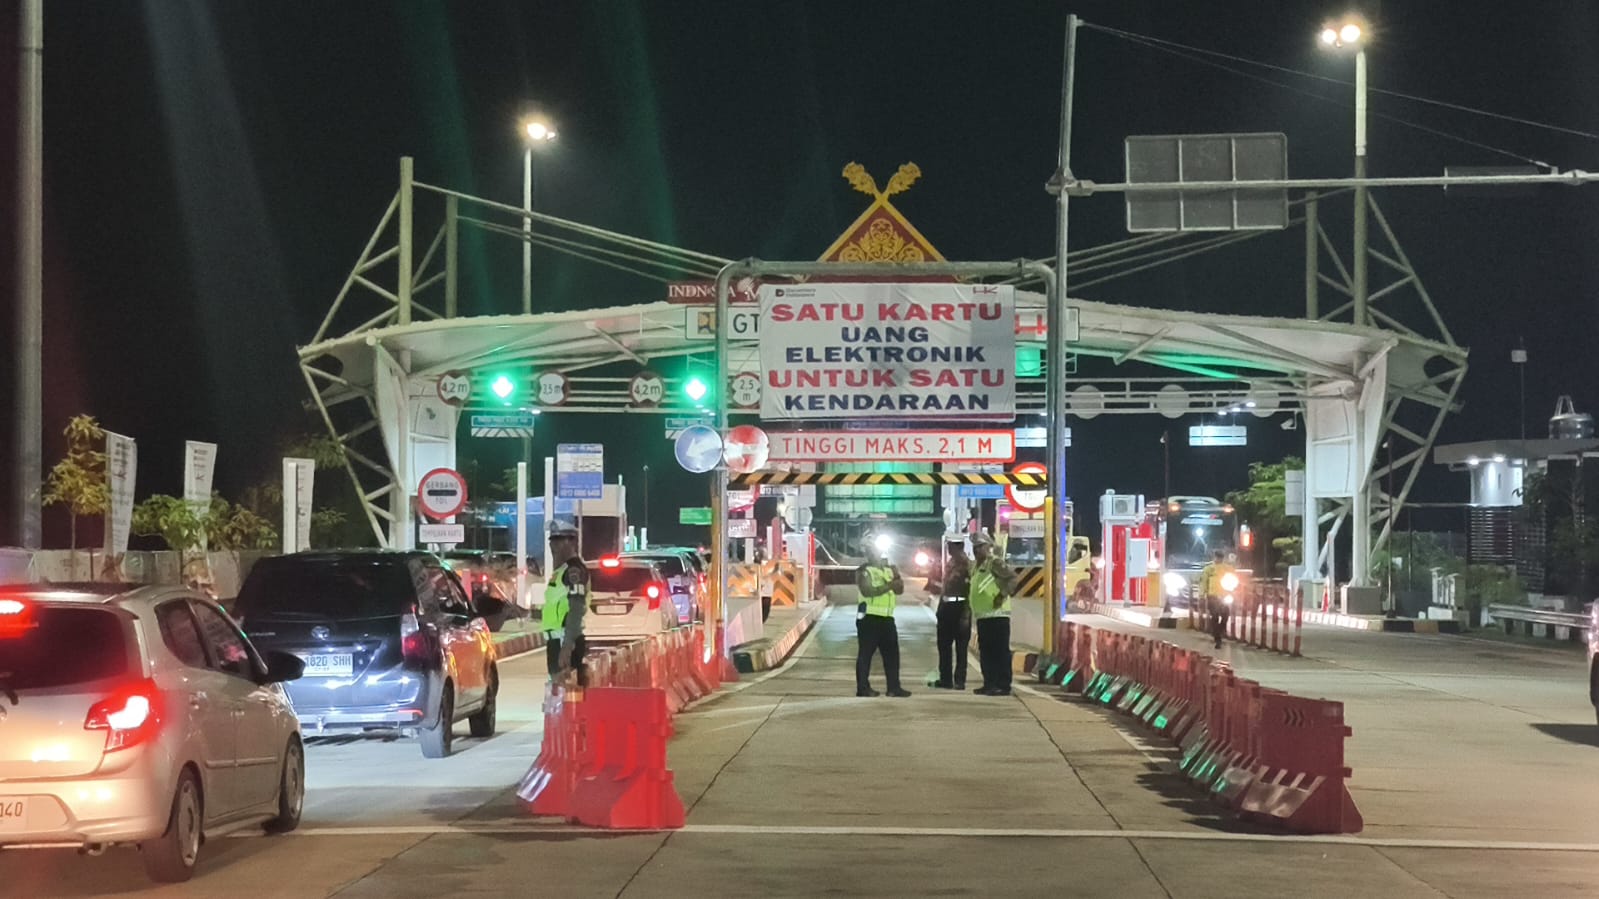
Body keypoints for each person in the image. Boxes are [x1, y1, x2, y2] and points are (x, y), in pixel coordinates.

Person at [854, 540, 911, 698]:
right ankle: (863, 688)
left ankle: (894, 687)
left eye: (875, 550)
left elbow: (899, 590)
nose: (873, 554)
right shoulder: (864, 571)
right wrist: (890, 585)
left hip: (887, 619)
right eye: (870, 551)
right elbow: (867, 591)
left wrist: (897, 575)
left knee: (892, 655)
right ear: (867, 554)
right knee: (865, 655)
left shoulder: (889, 570)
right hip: (869, 619)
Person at [969, 532, 1018, 696]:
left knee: (1000, 652)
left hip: (998, 615)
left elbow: (1012, 578)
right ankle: (989, 683)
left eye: (980, 547)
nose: (977, 551)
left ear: (987, 547)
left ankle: (1003, 685)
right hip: (983, 617)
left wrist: (1001, 595)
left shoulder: (995, 563)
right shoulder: (976, 567)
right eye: (975, 548)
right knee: (986, 653)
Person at [542, 524, 590, 686]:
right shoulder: (561, 570)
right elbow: (555, 605)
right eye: (551, 540)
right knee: (558, 692)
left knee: (567, 692)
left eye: (558, 541)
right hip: (556, 641)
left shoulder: (573, 570)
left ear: (571, 542)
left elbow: (576, 608)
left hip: (566, 640)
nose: (552, 545)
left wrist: (568, 646)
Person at [927, 538, 972, 690]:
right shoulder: (951, 563)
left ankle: (959, 680)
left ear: (958, 546)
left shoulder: (966, 565)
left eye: (951, 546)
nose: (948, 548)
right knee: (944, 646)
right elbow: (946, 588)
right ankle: (945, 679)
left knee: (961, 648)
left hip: (960, 608)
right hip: (947, 608)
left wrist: (965, 614)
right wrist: (940, 608)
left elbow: (969, 590)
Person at [1197, 549, 1234, 649]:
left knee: (1225, 616)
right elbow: (1203, 582)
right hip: (1213, 596)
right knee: (1215, 616)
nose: (1219, 559)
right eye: (1217, 557)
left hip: (1225, 596)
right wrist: (1201, 595)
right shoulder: (1209, 569)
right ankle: (1218, 639)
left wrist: (1233, 592)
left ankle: (1219, 631)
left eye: (1220, 557)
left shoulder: (1228, 569)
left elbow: (1233, 581)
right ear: (1214, 557)